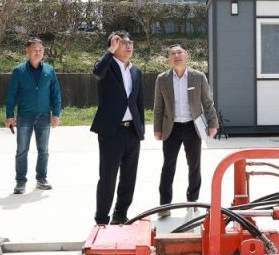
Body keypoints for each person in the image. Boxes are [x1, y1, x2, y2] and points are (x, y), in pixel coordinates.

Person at [153, 43, 219, 218]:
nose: (176, 56)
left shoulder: (198, 77)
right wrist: (157, 129)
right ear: (169, 58)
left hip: (192, 127)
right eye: (172, 53)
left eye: (179, 52)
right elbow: (158, 106)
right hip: (171, 128)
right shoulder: (162, 79)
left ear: (186, 55)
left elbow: (207, 102)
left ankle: (192, 202)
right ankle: (164, 206)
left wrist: (213, 123)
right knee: (168, 167)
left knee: (194, 166)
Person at [91, 31, 144, 225]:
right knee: (108, 177)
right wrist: (110, 51)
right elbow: (97, 72)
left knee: (129, 177)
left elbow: (139, 102)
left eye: (130, 43)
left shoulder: (135, 71)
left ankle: (120, 215)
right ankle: (101, 219)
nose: (128, 46)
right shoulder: (107, 66)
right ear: (113, 46)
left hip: (132, 131)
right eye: (122, 43)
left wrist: (140, 129)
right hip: (111, 132)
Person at [4, 37, 61, 194]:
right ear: (27, 50)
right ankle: (20, 181)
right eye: (35, 49)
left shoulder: (49, 70)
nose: (38, 52)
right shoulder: (19, 71)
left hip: (44, 116)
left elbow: (56, 93)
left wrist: (56, 114)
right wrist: (9, 115)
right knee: (22, 150)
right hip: (24, 116)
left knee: (43, 150)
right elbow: (11, 95)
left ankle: (41, 179)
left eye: (41, 50)